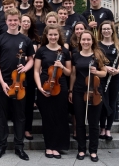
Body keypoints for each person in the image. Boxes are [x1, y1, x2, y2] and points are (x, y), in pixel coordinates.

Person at [0, 8, 34, 160]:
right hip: (2, 83)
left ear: (19, 21)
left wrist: (25, 68)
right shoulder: (0, 39)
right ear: (6, 21)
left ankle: (19, 147)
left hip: (20, 83)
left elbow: (31, 60)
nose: (13, 22)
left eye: (16, 20)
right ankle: (1, 146)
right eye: (10, 20)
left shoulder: (26, 40)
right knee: (2, 116)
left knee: (20, 116)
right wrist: (2, 82)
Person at [69, 30, 108, 162]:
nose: (86, 42)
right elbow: (73, 75)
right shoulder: (75, 56)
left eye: (88, 40)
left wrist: (96, 71)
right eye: (83, 39)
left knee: (93, 123)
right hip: (79, 91)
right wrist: (70, 90)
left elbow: (104, 73)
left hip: (95, 92)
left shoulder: (98, 55)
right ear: (80, 41)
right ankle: (81, 149)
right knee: (79, 122)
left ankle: (93, 151)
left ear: (92, 41)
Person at [34, 24, 71, 159]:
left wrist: (61, 66)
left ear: (59, 35)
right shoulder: (41, 50)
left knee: (60, 117)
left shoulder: (64, 52)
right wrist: (39, 87)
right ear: (46, 36)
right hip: (45, 85)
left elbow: (69, 72)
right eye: (50, 35)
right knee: (47, 118)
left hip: (60, 87)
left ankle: (57, 146)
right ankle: (49, 146)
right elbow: (36, 71)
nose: (53, 37)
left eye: (55, 35)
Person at [98, 21, 119, 141]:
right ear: (101, 31)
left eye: (108, 29)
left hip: (115, 78)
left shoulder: (118, 45)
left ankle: (108, 129)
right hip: (103, 77)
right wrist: (106, 67)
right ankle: (102, 128)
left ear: (112, 30)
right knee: (103, 103)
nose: (106, 31)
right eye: (104, 29)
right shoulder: (97, 45)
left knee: (112, 103)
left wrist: (118, 70)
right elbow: (97, 61)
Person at [19, 14, 40, 140]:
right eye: (24, 21)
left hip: (30, 73)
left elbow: (33, 56)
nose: (26, 23)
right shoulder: (15, 36)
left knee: (29, 101)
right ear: (20, 23)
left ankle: (27, 129)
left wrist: (24, 57)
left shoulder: (34, 38)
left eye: (28, 21)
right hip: (15, 72)